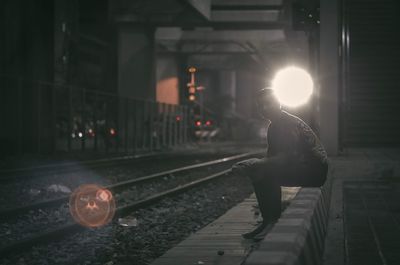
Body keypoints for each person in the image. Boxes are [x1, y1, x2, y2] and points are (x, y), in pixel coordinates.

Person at [232, 88, 328, 241]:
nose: (263, 108)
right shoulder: (275, 125)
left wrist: (257, 163)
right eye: (260, 105)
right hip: (305, 166)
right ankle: (267, 221)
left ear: (279, 103)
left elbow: (285, 159)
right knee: (260, 170)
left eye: (268, 104)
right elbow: (272, 158)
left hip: (314, 171)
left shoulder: (285, 124)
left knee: (265, 174)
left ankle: (272, 222)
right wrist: (253, 164)